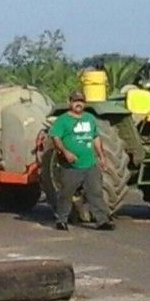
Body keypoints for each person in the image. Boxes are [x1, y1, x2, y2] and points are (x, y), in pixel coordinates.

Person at [48, 91, 115, 232]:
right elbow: (55, 137)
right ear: (70, 102)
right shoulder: (63, 120)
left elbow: (95, 137)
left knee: (96, 193)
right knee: (66, 193)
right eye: (75, 101)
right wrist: (66, 152)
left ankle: (103, 221)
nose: (79, 104)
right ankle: (61, 220)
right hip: (71, 166)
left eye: (81, 101)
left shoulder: (89, 119)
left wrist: (102, 156)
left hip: (90, 164)